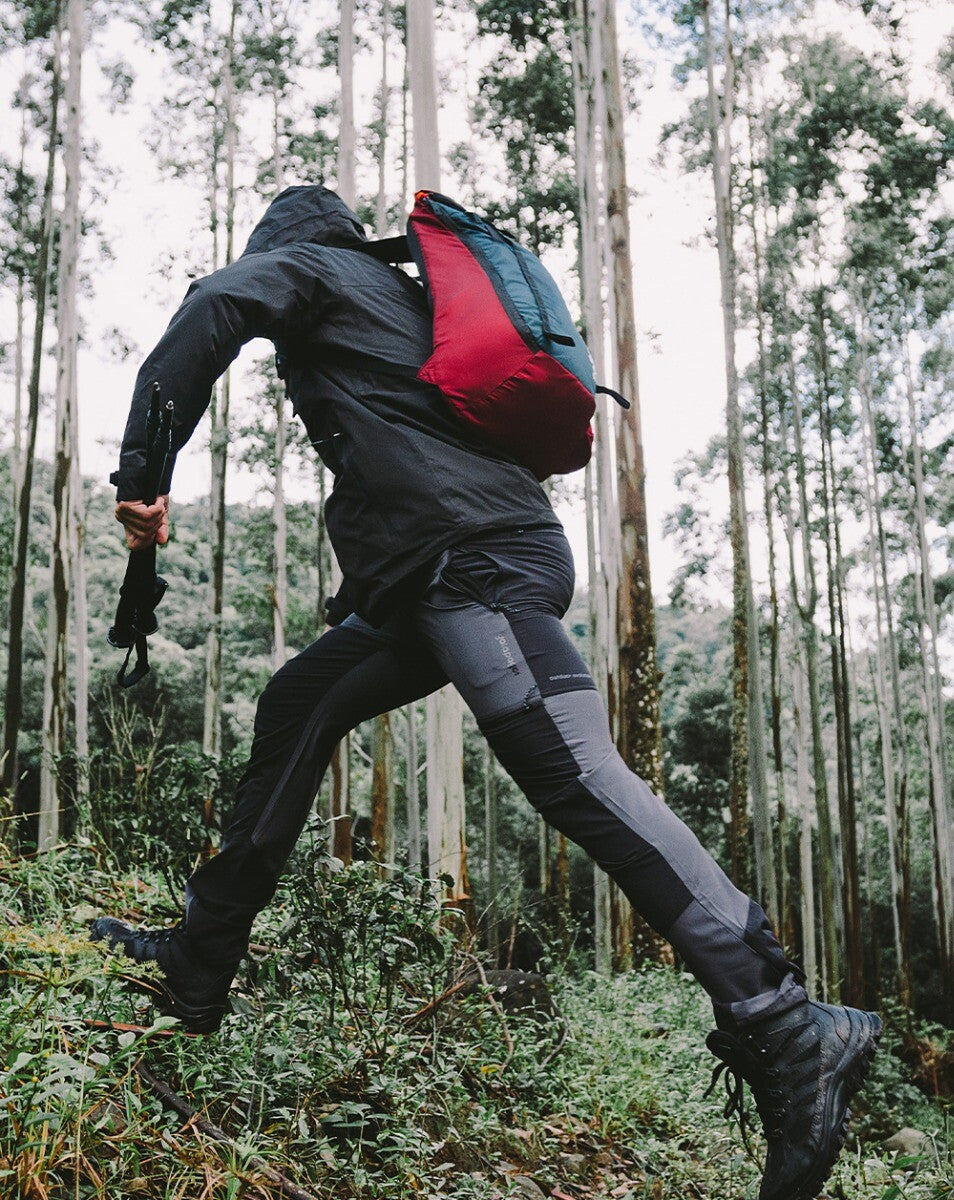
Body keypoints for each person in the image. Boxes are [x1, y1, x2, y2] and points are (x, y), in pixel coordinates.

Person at [91, 185, 880, 1200]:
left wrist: (143, 469)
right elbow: (394, 466)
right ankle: (200, 961)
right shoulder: (397, 307)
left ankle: (782, 1017)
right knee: (303, 700)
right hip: (439, 573)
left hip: (478, 566)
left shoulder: (317, 273)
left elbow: (214, 305)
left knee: (575, 771)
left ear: (291, 252)